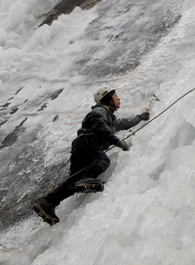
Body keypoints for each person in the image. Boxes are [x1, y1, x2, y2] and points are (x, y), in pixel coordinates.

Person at [32, 87, 150, 225]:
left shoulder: (108, 117)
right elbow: (100, 126)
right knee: (102, 160)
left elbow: (123, 123)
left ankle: (48, 202)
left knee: (74, 181)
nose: (119, 98)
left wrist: (140, 118)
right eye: (115, 96)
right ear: (108, 99)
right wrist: (117, 142)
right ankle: (86, 179)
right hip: (89, 143)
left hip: (82, 146)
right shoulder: (100, 112)